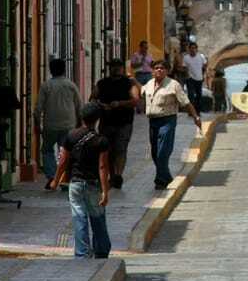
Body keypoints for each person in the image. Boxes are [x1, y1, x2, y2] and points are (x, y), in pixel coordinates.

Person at [51, 103, 111, 258]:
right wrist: (105, 191)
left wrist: (55, 181)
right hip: (93, 184)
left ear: (81, 117)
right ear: (97, 119)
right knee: (98, 218)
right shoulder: (101, 140)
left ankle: (82, 253)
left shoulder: (71, 136)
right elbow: (103, 167)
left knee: (79, 218)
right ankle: (101, 251)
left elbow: (63, 161)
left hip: (75, 183)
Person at [141, 60, 202, 190]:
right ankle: (167, 177)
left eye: (162, 68)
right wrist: (132, 81)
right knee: (154, 153)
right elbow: (141, 92)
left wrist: (195, 116)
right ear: (152, 71)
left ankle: (160, 180)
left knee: (163, 152)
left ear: (167, 71)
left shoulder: (174, 85)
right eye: (156, 68)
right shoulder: (149, 84)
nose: (159, 70)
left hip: (167, 121)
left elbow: (186, 102)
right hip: (153, 121)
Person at [33, 58, 82, 190]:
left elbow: (38, 108)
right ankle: (64, 179)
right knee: (66, 153)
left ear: (51, 70)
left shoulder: (46, 86)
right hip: (69, 124)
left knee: (47, 150)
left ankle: (52, 176)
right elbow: (79, 106)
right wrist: (79, 123)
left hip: (50, 125)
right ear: (64, 69)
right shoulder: (71, 85)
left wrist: (37, 123)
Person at [91, 58, 139, 189]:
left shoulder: (129, 83)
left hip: (124, 123)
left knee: (120, 149)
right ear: (109, 68)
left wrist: (119, 104)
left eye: (119, 66)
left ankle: (118, 175)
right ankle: (112, 175)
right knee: (107, 150)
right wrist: (101, 105)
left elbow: (135, 100)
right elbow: (93, 99)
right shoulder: (102, 83)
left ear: (123, 69)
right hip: (106, 122)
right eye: (113, 66)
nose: (116, 68)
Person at [182, 42, 208, 112]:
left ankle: (197, 110)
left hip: (199, 78)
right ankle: (191, 111)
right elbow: (184, 67)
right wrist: (187, 75)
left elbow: (205, 64)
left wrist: (203, 73)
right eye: (191, 48)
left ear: (196, 49)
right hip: (190, 79)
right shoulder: (186, 57)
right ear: (189, 49)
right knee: (191, 95)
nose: (193, 49)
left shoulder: (201, 56)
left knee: (199, 95)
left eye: (194, 48)